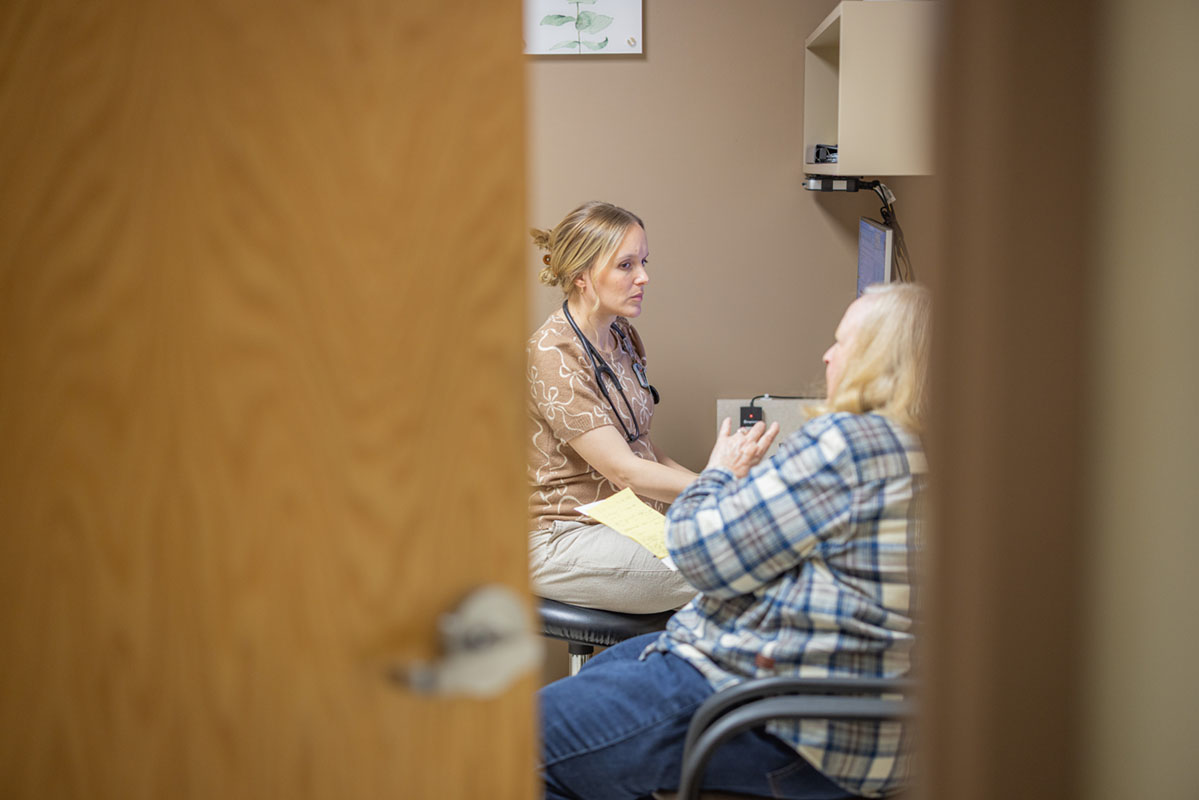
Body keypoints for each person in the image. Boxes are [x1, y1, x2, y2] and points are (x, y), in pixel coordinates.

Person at [539, 282, 932, 800]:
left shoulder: (850, 443)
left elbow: (697, 557)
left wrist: (719, 475)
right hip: (842, 719)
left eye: (842, 343)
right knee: (616, 667)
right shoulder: (924, 450)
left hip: (763, 710)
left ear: (879, 358)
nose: (828, 355)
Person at [527, 201, 699, 614]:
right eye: (626, 265)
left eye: (643, 262)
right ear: (582, 276)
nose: (643, 277)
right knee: (733, 563)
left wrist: (716, 487)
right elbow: (625, 470)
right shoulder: (553, 353)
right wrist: (727, 491)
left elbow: (642, 447)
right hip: (564, 533)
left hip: (629, 518)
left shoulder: (622, 335)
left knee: (753, 540)